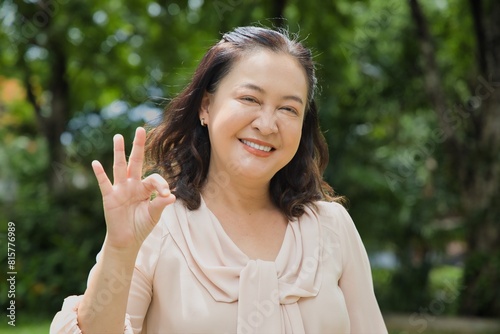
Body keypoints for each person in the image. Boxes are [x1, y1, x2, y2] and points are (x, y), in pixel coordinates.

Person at [50, 26, 387, 333]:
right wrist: (121, 249)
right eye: (250, 99)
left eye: (288, 109)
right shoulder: (157, 226)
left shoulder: (332, 228)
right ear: (206, 107)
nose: (267, 124)